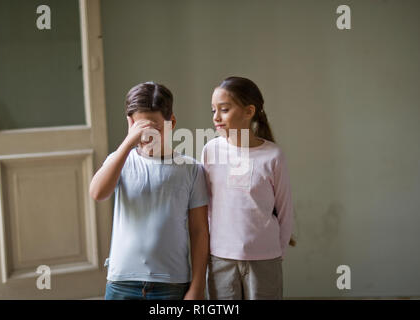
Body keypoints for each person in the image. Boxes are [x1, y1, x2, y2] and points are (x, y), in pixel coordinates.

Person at [90, 81, 209, 300]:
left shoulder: (191, 169)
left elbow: (199, 231)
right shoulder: (120, 161)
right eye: (139, 128)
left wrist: (197, 287)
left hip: (171, 284)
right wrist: (127, 143)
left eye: (153, 128)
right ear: (130, 124)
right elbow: (98, 193)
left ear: (171, 121)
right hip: (121, 282)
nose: (145, 137)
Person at [201, 76, 295, 300]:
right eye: (213, 110)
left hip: (265, 258)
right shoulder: (210, 151)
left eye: (224, 109)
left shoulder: (273, 155)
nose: (216, 117)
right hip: (220, 259)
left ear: (249, 111)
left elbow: (285, 210)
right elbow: (205, 206)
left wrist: (276, 252)